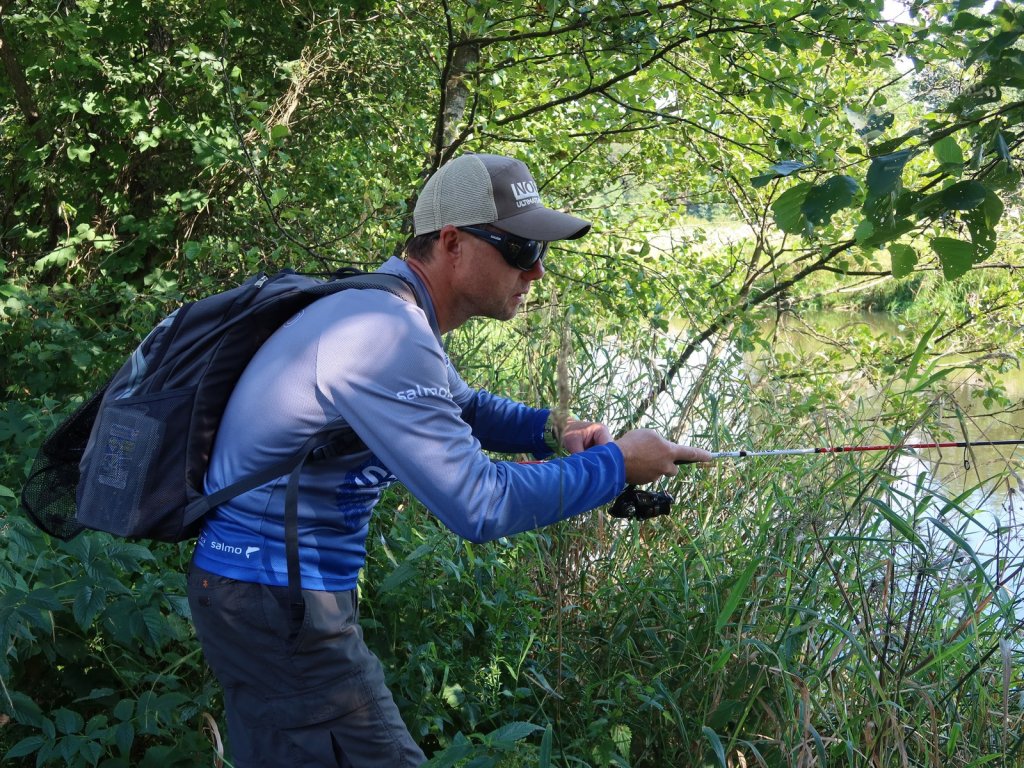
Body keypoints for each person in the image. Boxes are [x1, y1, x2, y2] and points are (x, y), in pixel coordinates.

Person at [186, 152, 711, 767]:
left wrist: (554, 431)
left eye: (543, 253)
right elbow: (478, 504)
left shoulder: (386, 308)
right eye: (521, 249)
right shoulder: (383, 333)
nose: (537, 272)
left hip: (262, 592)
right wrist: (616, 465)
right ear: (453, 243)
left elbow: (460, 407)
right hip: (275, 597)